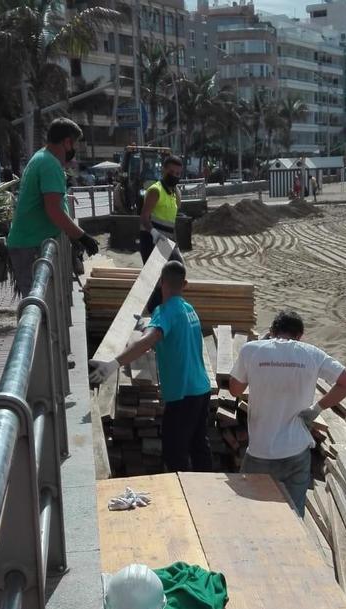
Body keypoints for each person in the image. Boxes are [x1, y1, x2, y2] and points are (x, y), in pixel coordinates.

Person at [229, 309, 346, 516]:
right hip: (296, 452)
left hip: (260, 452)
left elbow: (235, 390)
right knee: (294, 516)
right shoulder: (311, 353)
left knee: (252, 515)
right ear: (300, 336)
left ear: (271, 331)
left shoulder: (251, 350)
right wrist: (317, 409)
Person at [90, 261, 212, 473]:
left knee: (175, 454)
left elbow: (149, 341)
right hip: (201, 389)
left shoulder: (164, 312)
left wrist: (112, 365)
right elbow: (175, 340)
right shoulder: (189, 309)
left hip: (182, 395)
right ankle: (207, 492)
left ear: (160, 282)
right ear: (185, 284)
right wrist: (149, 325)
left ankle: (180, 498)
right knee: (199, 445)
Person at [6, 117, 99, 296]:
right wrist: (82, 236)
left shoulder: (41, 157)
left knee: (42, 305)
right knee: (38, 307)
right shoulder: (50, 164)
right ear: (66, 142)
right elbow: (54, 210)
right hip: (30, 246)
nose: (73, 152)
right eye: (74, 146)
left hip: (27, 243)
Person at [139, 155, 184, 314]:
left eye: (178, 174)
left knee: (175, 272)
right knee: (156, 279)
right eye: (171, 172)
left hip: (166, 241)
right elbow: (144, 217)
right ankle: (154, 313)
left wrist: (175, 244)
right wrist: (153, 233)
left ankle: (166, 309)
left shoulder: (174, 193)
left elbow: (172, 223)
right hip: (151, 239)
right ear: (163, 170)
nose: (175, 176)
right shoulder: (155, 190)